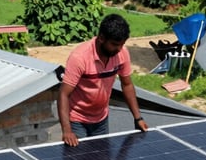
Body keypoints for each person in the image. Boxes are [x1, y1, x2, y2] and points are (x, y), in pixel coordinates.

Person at [58, 13, 148, 146]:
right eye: (114, 44)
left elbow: (127, 85)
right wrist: (67, 130)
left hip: (101, 120)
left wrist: (137, 118)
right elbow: (63, 94)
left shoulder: (122, 53)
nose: (119, 49)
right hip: (77, 121)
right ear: (101, 38)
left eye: (122, 45)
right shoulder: (80, 57)